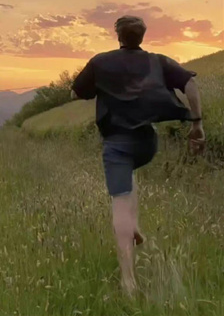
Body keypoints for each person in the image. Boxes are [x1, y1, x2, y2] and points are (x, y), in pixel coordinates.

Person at [71, 15, 205, 295]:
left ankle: (128, 279)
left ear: (118, 36)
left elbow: (76, 93)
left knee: (119, 203)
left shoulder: (101, 62)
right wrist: (197, 123)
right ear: (141, 36)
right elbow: (190, 85)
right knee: (129, 176)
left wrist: (94, 90)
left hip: (117, 144)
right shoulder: (158, 61)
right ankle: (134, 227)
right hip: (147, 145)